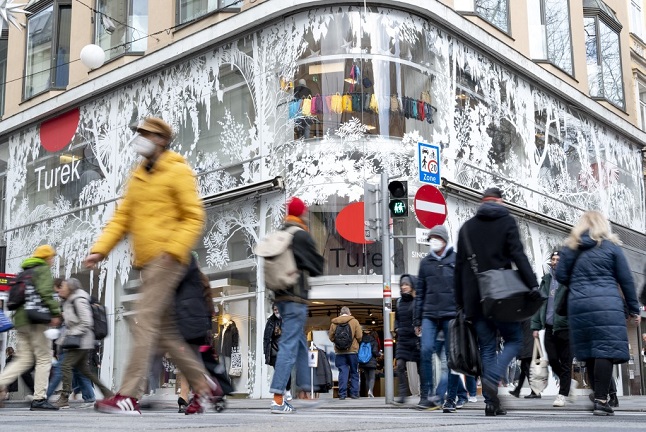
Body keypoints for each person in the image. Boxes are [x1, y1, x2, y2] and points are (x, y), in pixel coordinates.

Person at [85, 117, 218, 415]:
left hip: (166, 258)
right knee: (164, 332)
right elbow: (123, 218)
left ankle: (128, 396)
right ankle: (203, 385)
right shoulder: (139, 176)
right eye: (139, 134)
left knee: (144, 322)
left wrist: (173, 249)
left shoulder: (177, 170)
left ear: (160, 139)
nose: (139, 139)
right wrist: (100, 250)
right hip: (146, 263)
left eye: (145, 134)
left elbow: (194, 215)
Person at [454, 188, 539, 417]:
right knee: (514, 339)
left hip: (475, 298)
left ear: (482, 203)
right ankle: (493, 378)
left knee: (487, 347)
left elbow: (459, 268)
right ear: (500, 201)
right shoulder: (507, 222)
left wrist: (460, 302)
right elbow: (518, 255)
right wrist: (532, 285)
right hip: (501, 295)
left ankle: (491, 403)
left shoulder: (466, 228)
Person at [555, 210, 640, 416]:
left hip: (579, 305)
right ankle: (601, 400)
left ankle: (598, 396)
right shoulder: (612, 248)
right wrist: (633, 308)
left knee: (590, 351)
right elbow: (626, 280)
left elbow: (560, 275)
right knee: (605, 350)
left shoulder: (570, 248)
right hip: (607, 303)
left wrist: (579, 284)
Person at [268, 197, 324, 413]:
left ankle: (306, 392)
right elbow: (317, 266)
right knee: (289, 345)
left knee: (299, 342)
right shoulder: (300, 235)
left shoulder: (280, 234)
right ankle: (278, 398)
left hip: (280, 298)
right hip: (296, 298)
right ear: (301, 213)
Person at [0, 245, 62, 411]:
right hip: (36, 320)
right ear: (47, 258)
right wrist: (55, 312)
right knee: (44, 357)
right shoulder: (42, 270)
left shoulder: (24, 271)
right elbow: (45, 293)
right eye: (52, 257)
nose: (53, 260)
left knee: (24, 359)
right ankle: (39, 398)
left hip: (21, 321)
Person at [413, 224, 459, 412]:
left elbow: (464, 288)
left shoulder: (457, 260)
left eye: (436, 237)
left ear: (445, 239)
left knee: (452, 358)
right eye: (431, 238)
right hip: (429, 314)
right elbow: (420, 292)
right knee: (425, 351)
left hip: (451, 314)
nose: (433, 241)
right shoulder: (425, 263)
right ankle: (427, 395)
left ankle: (450, 399)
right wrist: (417, 320)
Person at [53, 278, 114, 409]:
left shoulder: (79, 300)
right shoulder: (69, 301)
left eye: (62, 287)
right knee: (85, 371)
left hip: (81, 340)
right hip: (79, 340)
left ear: (70, 288)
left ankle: (64, 398)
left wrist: (72, 333)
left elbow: (86, 322)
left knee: (66, 365)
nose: (59, 291)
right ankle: (108, 393)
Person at [531, 251, 575, 406]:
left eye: (558, 259)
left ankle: (562, 394)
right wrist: (535, 326)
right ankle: (568, 382)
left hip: (566, 327)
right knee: (553, 359)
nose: (555, 262)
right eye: (553, 259)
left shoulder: (569, 280)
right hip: (549, 327)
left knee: (565, 362)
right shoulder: (546, 280)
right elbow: (539, 304)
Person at [175, 253, 216, 413]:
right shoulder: (201, 279)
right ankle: (199, 396)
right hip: (198, 327)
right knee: (197, 363)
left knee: (187, 364)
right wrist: (208, 327)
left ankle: (184, 396)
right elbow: (209, 305)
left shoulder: (178, 280)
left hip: (182, 328)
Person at [394, 274, 420, 405]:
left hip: (415, 339)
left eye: (407, 285)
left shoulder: (417, 301)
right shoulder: (398, 302)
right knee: (399, 366)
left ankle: (426, 393)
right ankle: (403, 393)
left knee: (421, 368)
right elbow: (397, 318)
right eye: (402, 285)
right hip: (403, 339)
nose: (404, 287)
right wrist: (397, 328)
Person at [329, 306, 363, 401]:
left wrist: (338, 343)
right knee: (354, 372)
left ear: (340, 313)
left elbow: (331, 337)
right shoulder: (354, 321)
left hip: (339, 352)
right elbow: (359, 336)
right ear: (349, 313)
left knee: (342, 372)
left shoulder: (334, 323)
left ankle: (342, 394)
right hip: (352, 351)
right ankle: (354, 394)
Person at [264, 304, 292, 402]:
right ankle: (280, 392)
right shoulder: (270, 321)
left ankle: (288, 389)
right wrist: (265, 352)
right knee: (279, 371)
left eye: (278, 309)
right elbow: (266, 338)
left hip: (285, 349)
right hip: (274, 350)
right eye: (275, 309)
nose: (276, 311)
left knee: (287, 371)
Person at [509, 319, 538, 399]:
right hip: (529, 344)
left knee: (527, 369)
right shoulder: (531, 316)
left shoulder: (524, 316)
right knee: (524, 369)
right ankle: (517, 390)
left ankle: (535, 391)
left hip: (526, 345)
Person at [358, 329, 380, 398]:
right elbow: (374, 352)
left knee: (367, 378)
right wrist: (379, 355)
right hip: (371, 361)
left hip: (364, 361)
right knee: (372, 378)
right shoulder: (374, 342)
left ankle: (368, 392)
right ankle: (370, 391)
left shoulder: (362, 341)